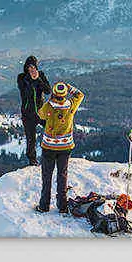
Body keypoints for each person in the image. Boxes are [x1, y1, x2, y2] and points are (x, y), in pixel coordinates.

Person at [34, 82, 85, 214]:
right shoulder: (71, 106)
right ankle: (62, 206)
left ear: (54, 94)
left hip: (49, 147)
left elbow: (40, 114)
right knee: (62, 175)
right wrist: (69, 87)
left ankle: (44, 205)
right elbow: (80, 95)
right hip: (65, 147)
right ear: (64, 94)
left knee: (47, 176)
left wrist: (50, 100)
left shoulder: (48, 107)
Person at [16, 56, 49, 166]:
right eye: (29, 67)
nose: (31, 69)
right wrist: (31, 79)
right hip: (28, 113)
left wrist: (38, 79)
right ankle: (32, 160)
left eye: (33, 67)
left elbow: (47, 90)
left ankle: (53, 155)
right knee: (31, 139)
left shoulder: (41, 75)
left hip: (41, 111)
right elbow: (24, 90)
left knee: (51, 130)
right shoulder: (21, 77)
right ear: (25, 67)